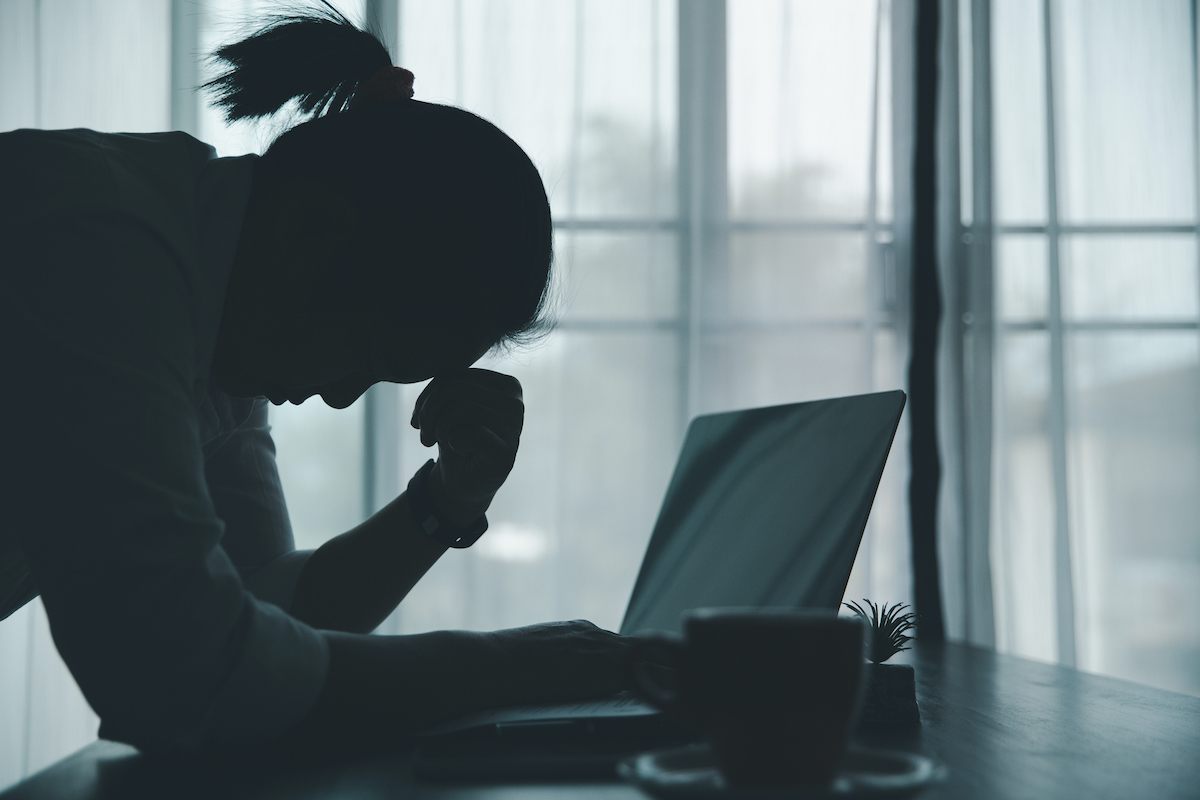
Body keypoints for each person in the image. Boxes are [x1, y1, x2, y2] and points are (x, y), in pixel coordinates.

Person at [0, 4, 630, 754]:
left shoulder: (215, 302)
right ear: (310, 228)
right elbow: (180, 673)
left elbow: (266, 610)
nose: (337, 395)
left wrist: (443, 503)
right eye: (365, 357)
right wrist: (502, 665)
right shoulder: (95, 252)